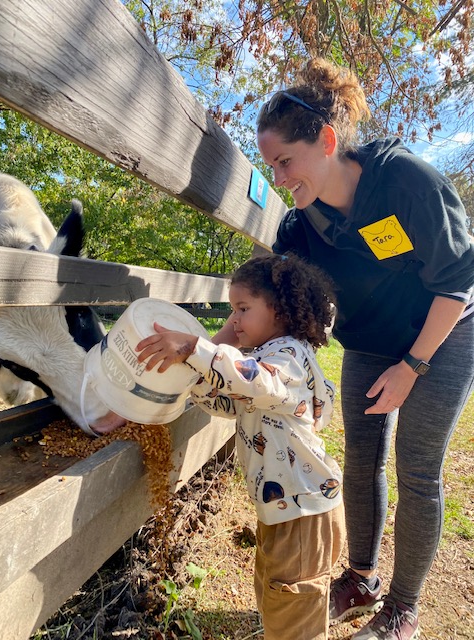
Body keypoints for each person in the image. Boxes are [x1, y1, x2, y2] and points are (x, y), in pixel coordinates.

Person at [255, 57, 474, 640]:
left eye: (285, 162)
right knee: (362, 456)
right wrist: (216, 352)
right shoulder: (300, 225)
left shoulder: (404, 180)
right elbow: (269, 299)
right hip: (371, 341)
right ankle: (361, 577)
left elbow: (456, 283)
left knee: (418, 469)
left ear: (326, 141)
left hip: (444, 332)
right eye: (270, 165)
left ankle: (403, 607)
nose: (279, 178)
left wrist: (412, 367)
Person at [137, 253, 346, 640]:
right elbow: (231, 400)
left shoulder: (289, 355)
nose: (233, 320)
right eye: (233, 309)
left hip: (305, 512)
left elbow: (256, 382)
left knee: (294, 613)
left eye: (243, 308)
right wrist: (194, 378)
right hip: (283, 509)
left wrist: (196, 348)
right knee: (274, 594)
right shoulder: (265, 356)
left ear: (280, 310)